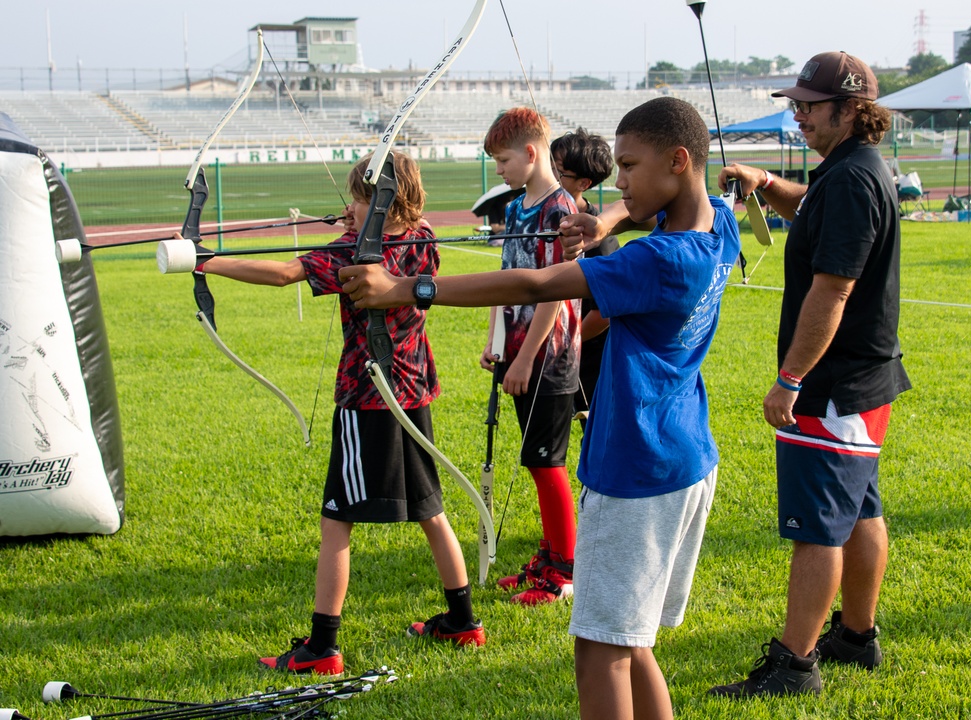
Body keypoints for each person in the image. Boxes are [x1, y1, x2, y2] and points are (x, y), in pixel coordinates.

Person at [340, 96, 741, 720]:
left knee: (599, 647)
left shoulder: (659, 260)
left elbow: (535, 285)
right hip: (684, 455)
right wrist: (608, 222)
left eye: (630, 167)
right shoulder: (716, 224)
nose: (620, 181)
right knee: (632, 644)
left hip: (636, 470)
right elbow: (668, 207)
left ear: (679, 160)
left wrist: (404, 288)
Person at [193, 152, 485, 676]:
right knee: (430, 509)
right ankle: (463, 620)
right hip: (412, 392)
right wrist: (359, 222)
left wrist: (206, 261)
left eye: (356, 198)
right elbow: (390, 238)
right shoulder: (423, 237)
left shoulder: (352, 254)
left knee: (337, 520)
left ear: (377, 202)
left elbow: (284, 273)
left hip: (367, 397)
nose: (347, 208)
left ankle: (322, 647)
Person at [708, 51, 912, 698]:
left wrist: (791, 379)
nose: (798, 114)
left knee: (819, 525)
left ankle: (794, 666)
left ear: (852, 109)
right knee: (858, 511)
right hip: (865, 378)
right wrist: (766, 183)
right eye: (795, 103)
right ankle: (856, 636)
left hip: (832, 384)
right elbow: (813, 210)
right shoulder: (848, 170)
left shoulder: (851, 180)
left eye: (809, 105)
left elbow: (833, 291)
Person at [481, 107, 582, 605]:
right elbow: (509, 278)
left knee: (547, 463)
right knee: (534, 458)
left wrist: (524, 359)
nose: (498, 170)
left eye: (502, 160)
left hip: (550, 359)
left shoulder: (560, 211)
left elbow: (555, 292)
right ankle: (548, 554)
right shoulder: (520, 206)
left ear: (529, 152)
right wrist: (497, 339)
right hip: (519, 353)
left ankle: (564, 573)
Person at [550, 127, 617, 430]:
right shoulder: (546, 218)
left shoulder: (599, 242)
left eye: (558, 171)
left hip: (589, 361)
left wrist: (568, 342)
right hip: (557, 353)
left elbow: (604, 311)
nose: (549, 175)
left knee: (596, 429)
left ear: (584, 183)